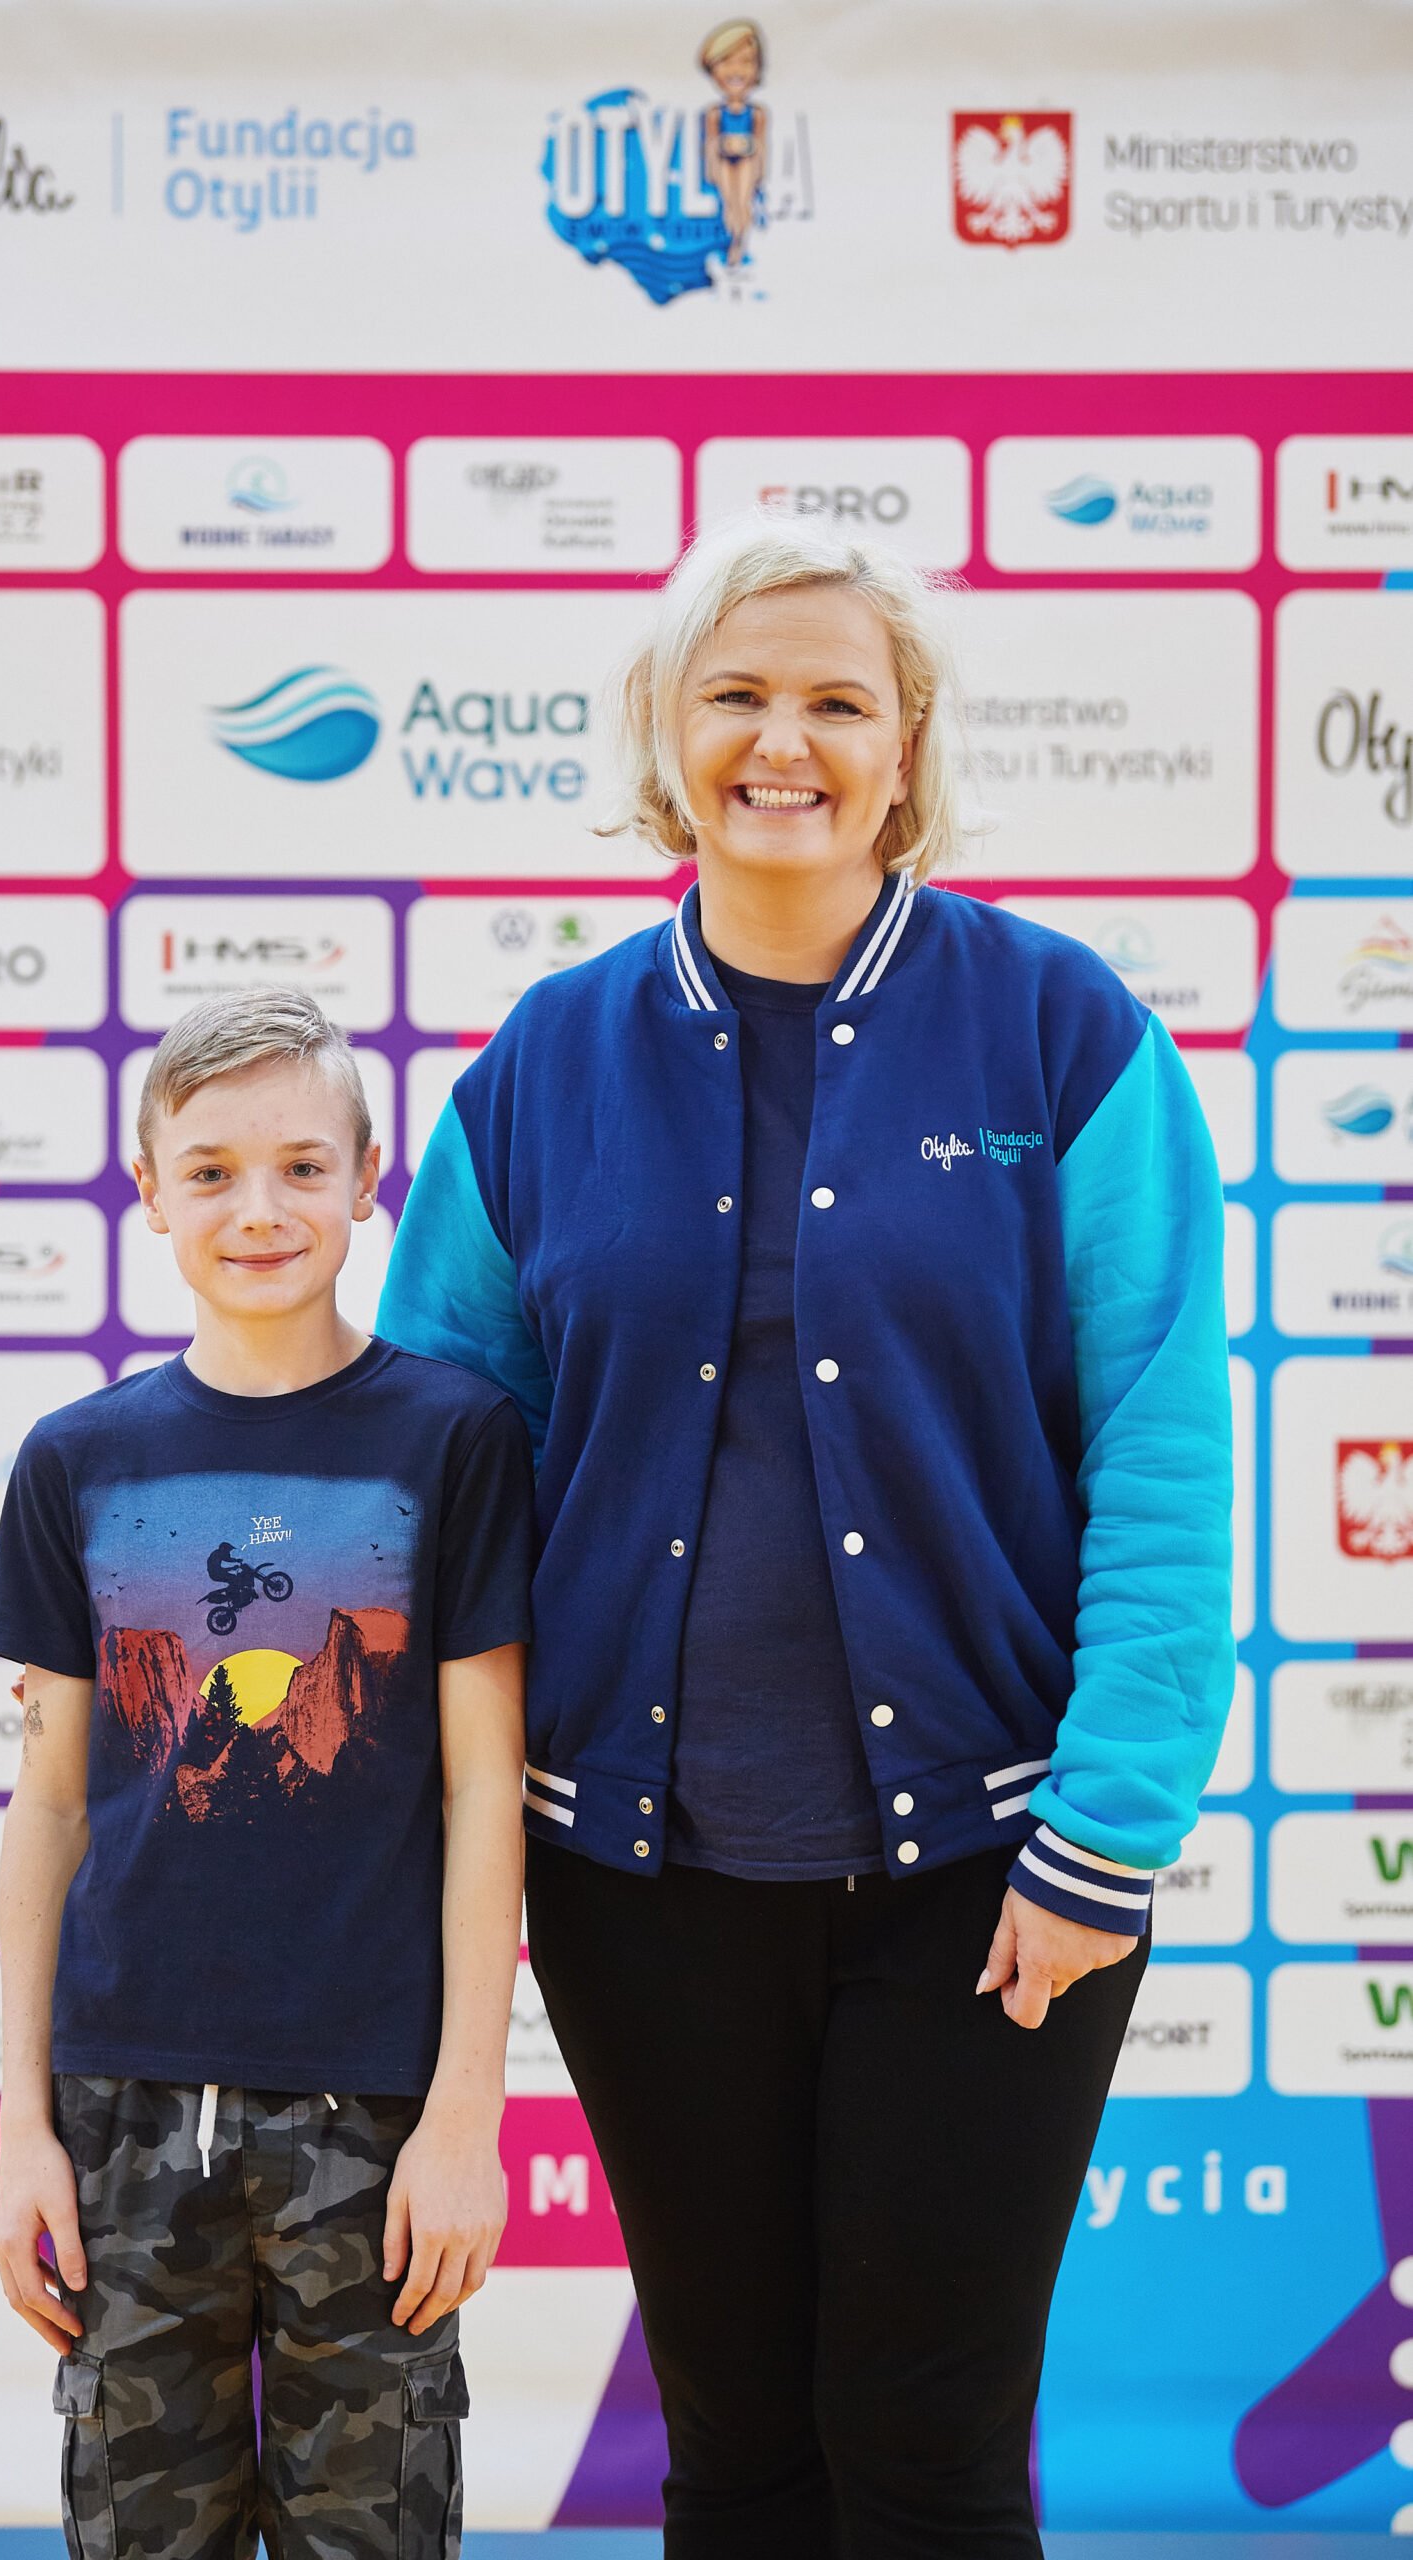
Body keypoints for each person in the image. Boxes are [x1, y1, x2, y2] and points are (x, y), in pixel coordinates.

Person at [379, 515, 1235, 2557]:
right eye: (737, 695)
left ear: (904, 743)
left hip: (993, 1878)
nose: (784, 740)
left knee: (925, 2451)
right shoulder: (541, 1068)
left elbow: (1163, 1448)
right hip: (640, 1881)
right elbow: (437, 1487)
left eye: (838, 700)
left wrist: (1106, 1827)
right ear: (663, 733)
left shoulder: (1060, 1033)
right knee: (741, 2448)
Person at [0, 988, 534, 2560]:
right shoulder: (75, 1460)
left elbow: (485, 1794)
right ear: (149, 1194)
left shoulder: (454, 1440)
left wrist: (465, 2115)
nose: (260, 1210)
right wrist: (23, 2128)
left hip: (375, 2106)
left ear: (367, 1182)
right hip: (119, 2106)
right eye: (211, 1172)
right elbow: (52, 1803)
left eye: (301, 1166)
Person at [699, 19, 766, 278]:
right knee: (730, 203)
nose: (736, 71)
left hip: (747, 162)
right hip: (725, 163)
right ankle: (731, 245)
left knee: (742, 202)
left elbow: (760, 145)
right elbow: (711, 145)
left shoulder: (757, 113)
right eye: (726, 62)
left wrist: (758, 171)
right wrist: (714, 168)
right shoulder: (715, 113)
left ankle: (740, 245)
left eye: (746, 62)